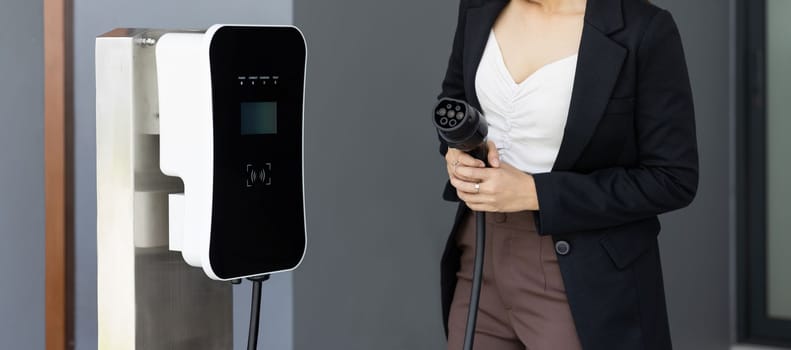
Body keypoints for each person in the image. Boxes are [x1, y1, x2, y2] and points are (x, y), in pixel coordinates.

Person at [436, 0, 698, 349]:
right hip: (480, 255)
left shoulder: (644, 30)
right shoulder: (479, 6)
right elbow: (454, 102)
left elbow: (672, 178)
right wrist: (457, 154)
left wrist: (536, 193)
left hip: (581, 275)